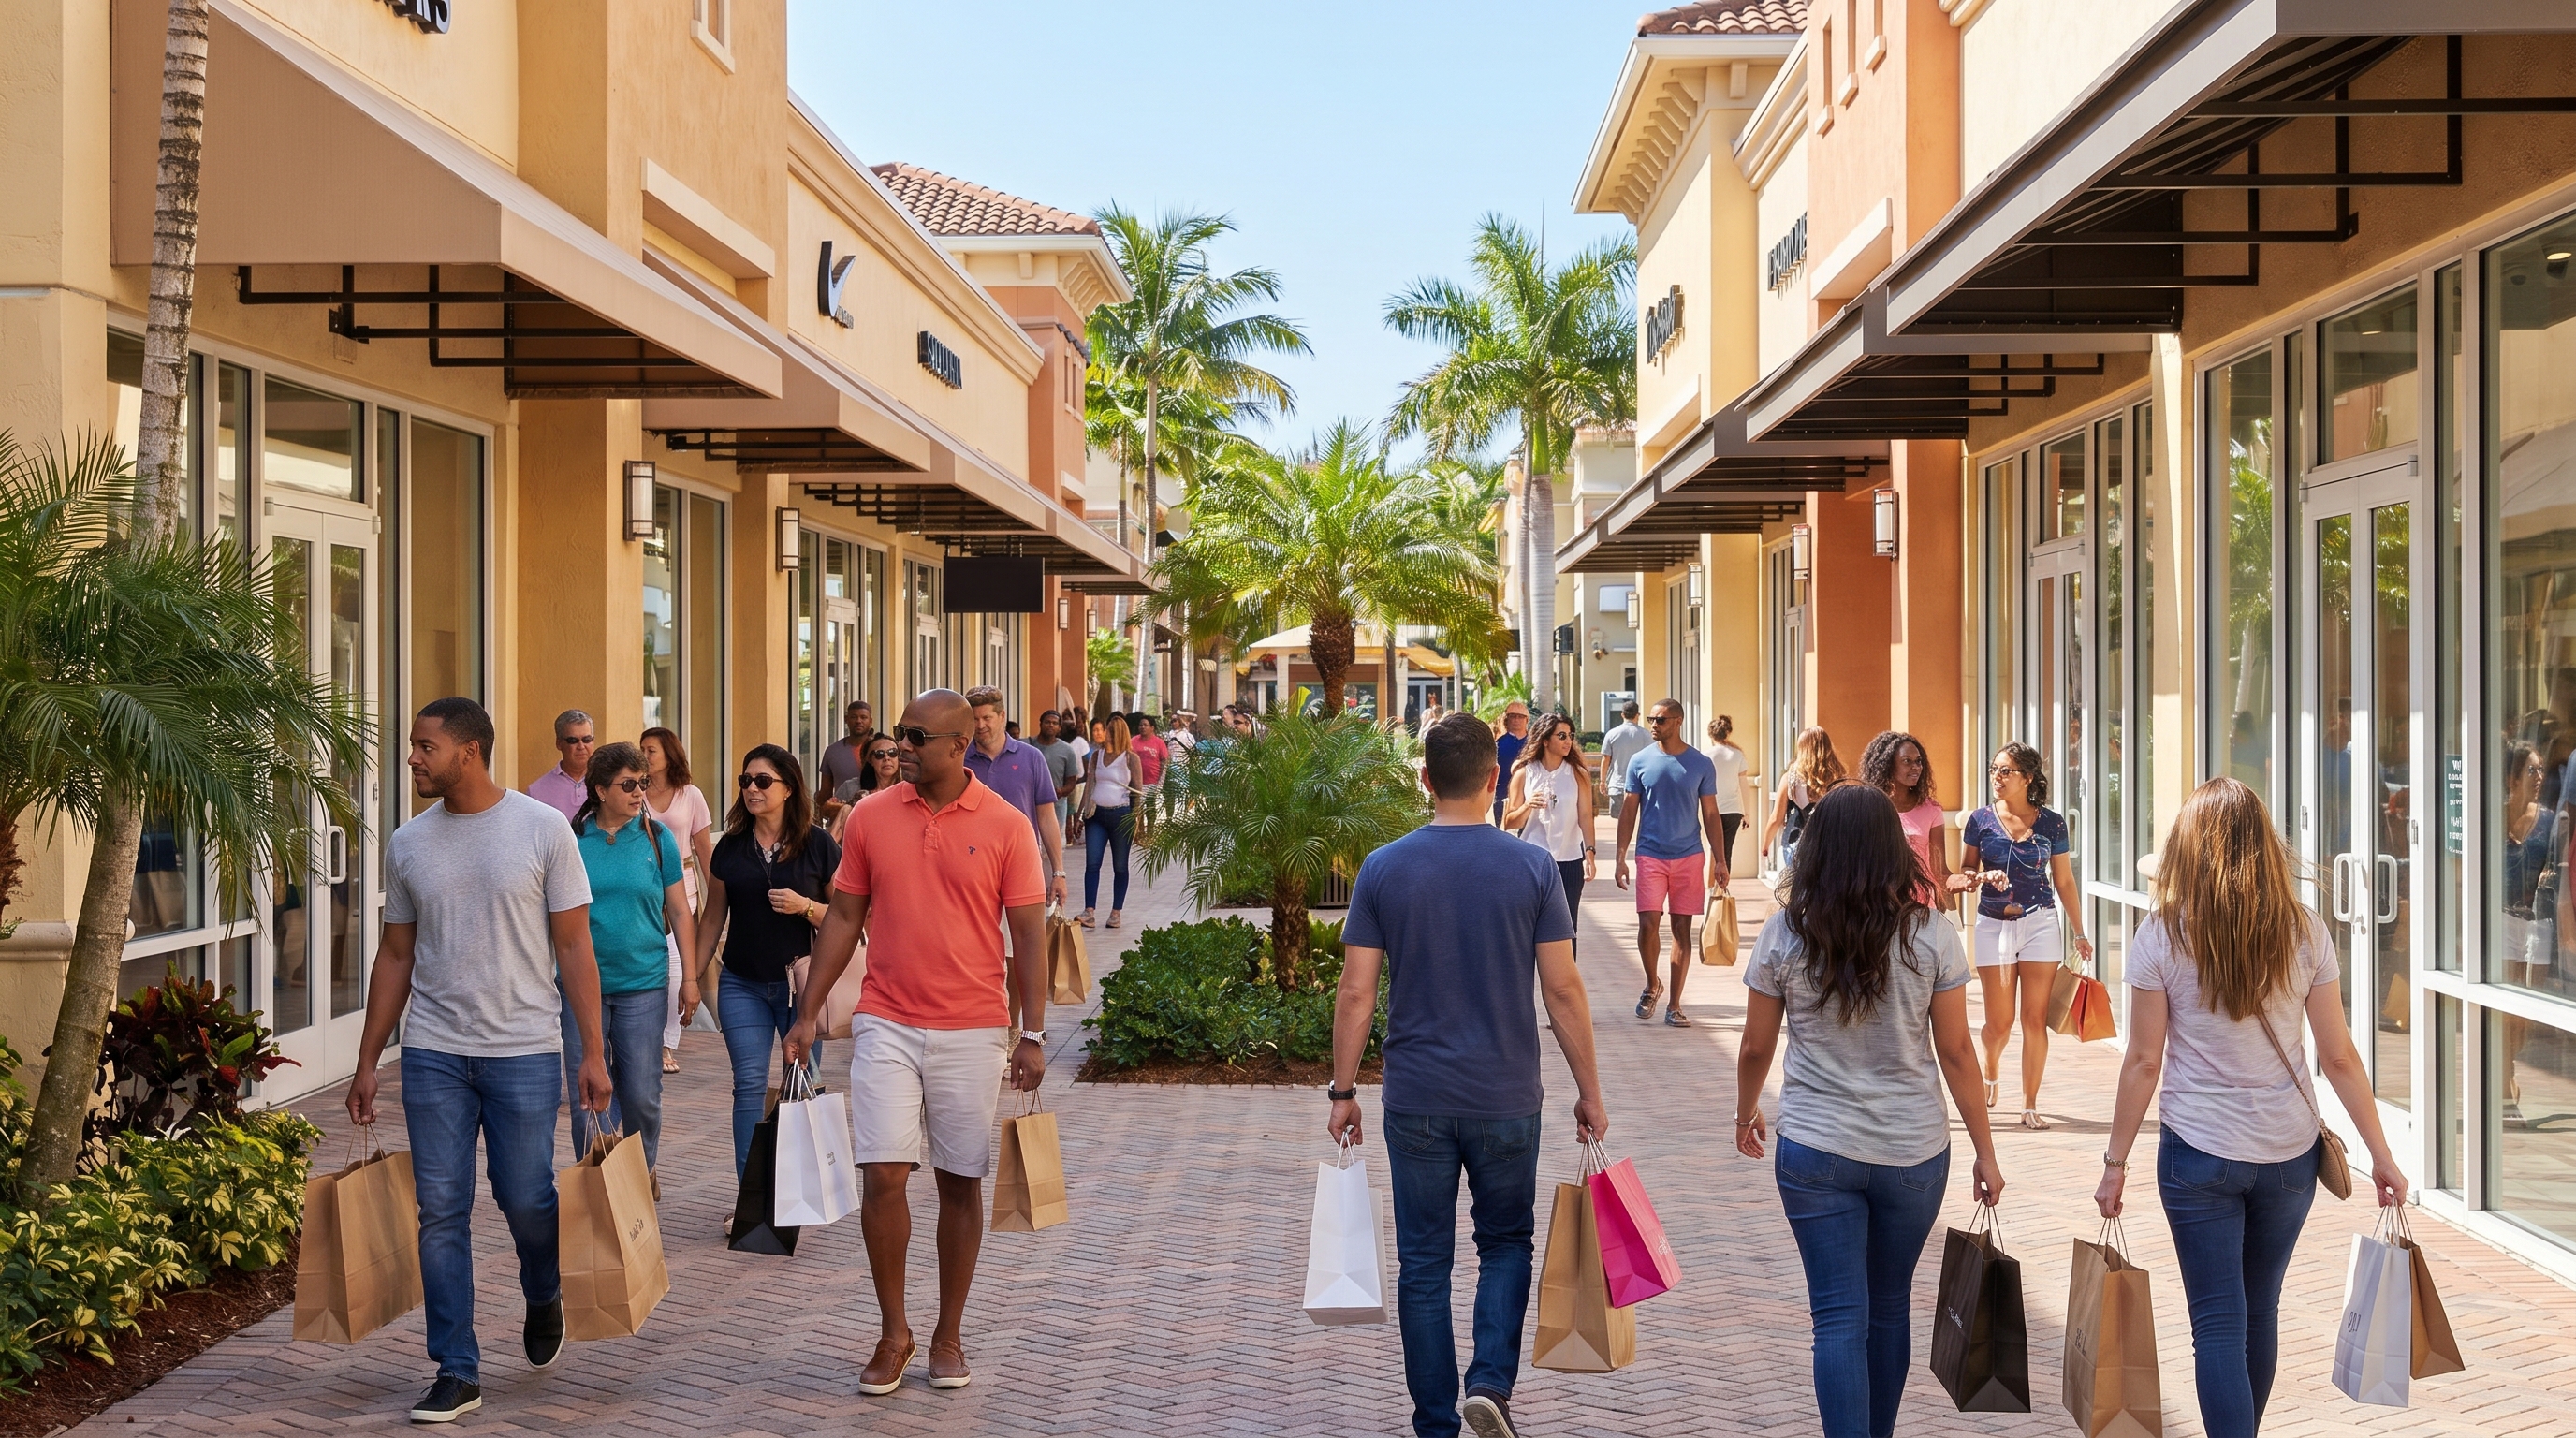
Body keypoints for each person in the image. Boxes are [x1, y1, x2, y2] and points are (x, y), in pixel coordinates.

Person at [2096, 777, 2408, 1437]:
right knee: (2259, 1310)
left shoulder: (2161, 935)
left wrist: (2114, 1163)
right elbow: (2339, 1056)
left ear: (2188, 846)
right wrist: (2381, 1156)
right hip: (2288, 1157)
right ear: (2265, 844)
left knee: (2217, 1323)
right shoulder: (2304, 930)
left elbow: (2144, 1060)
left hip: (2197, 1154)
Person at [1327, 711, 1605, 1438]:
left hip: (1416, 1097)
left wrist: (1344, 1090)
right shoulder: (1531, 867)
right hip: (1506, 1096)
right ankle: (1488, 1384)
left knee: (1423, 1262)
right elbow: (1563, 989)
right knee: (1506, 1244)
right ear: (1493, 778)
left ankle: (1434, 1422)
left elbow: (1356, 992)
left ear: (1425, 779)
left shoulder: (1384, 867)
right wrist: (1589, 1091)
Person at [348, 697, 611, 1426]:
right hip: (433, 1052)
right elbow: (395, 955)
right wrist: (369, 1060)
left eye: (424, 746)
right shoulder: (409, 842)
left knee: (526, 1196)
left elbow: (573, 946)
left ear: (468, 751)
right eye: (412, 745)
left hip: (524, 1050)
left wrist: (593, 1052)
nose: (412, 757)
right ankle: (455, 1369)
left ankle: (542, 1289)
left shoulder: (542, 828)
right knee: (440, 1211)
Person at [785, 689, 1049, 1399]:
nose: (900, 746)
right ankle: (893, 1332)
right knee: (883, 1175)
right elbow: (844, 916)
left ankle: (948, 1333)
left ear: (959, 746)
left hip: (972, 1027)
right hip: (886, 1021)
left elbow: (1029, 935)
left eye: (916, 737)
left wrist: (1031, 1033)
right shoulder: (871, 815)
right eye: (899, 733)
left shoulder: (1006, 825)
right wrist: (807, 1014)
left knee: (960, 1179)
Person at [1734, 785, 2002, 1438]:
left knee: (1837, 1317)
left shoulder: (1785, 931)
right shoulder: (1932, 935)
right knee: (1888, 1307)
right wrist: (1986, 1152)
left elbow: (1755, 1046)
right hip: (1913, 1152)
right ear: (1892, 849)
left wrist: (1746, 1111)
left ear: (1817, 848)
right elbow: (1957, 1053)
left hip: (1816, 1149)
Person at [690, 744, 840, 1177]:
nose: (752, 789)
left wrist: (804, 907)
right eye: (746, 781)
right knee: (749, 1086)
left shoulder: (818, 844)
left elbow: (847, 917)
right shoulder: (731, 847)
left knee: (799, 1085)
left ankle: (800, 1190)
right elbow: (713, 917)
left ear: (788, 788)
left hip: (802, 988)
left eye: (763, 781)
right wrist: (692, 978)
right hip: (742, 984)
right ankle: (751, 1194)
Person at [563, 742, 693, 1171]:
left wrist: (691, 977)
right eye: (628, 785)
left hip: (644, 983)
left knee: (641, 1094)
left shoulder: (658, 838)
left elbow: (680, 911)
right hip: (583, 986)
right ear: (600, 790)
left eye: (643, 783)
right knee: (588, 1093)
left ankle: (640, 1176)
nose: (640, 792)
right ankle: (598, 1184)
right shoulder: (572, 841)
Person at [1960, 742, 2092, 1130]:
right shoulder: (1980, 820)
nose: (1997, 777)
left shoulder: (2052, 824)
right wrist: (1980, 876)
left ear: (2028, 778)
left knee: (2034, 1019)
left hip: (2040, 924)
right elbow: (1965, 870)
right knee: (1999, 1024)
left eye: (2006, 771)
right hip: (1993, 925)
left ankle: (2029, 1104)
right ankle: (1991, 1064)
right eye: (1994, 770)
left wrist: (2080, 932)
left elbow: (2064, 881)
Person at [1613, 698, 1727, 1026]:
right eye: (1650, 719)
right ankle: (1652, 984)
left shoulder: (1701, 764)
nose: (1653, 724)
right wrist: (1620, 857)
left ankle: (1675, 1004)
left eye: (1660, 720)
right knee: (1648, 923)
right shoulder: (1639, 761)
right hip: (1650, 854)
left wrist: (1720, 860)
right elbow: (1629, 810)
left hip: (1689, 856)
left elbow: (1711, 813)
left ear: (1678, 721)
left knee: (1681, 929)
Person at [640, 726, 714, 1074]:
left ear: (669, 754)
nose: (645, 755)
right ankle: (643, 1039)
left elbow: (704, 849)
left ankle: (666, 1043)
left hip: (683, 888)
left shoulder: (691, 795)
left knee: (676, 966)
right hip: (643, 886)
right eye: (641, 749)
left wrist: (719, 897)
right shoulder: (634, 791)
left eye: (651, 750)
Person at [963, 686, 1067, 907]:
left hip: (1023, 867)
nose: (980, 726)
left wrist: (1058, 872)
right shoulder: (959, 761)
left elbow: (1047, 818)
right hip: (971, 871)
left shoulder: (1032, 758)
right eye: (974, 719)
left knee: (1026, 930)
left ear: (1002, 716)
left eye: (987, 718)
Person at [1501, 712, 1595, 946]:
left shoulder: (1578, 774)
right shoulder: (1524, 773)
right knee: (1529, 929)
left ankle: (1566, 973)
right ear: (1545, 740)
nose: (1568, 741)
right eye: (1561, 736)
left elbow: (1585, 817)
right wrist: (1527, 805)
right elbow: (1510, 822)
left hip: (1569, 860)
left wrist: (1590, 853)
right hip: (1532, 861)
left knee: (1567, 930)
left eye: (1571, 736)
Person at [1859, 730, 1963, 907]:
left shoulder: (1931, 809)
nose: (1916, 767)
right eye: (1907, 761)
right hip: (1880, 904)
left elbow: (1939, 871)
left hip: (1920, 906)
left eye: (1918, 761)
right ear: (1888, 765)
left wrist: (1959, 883)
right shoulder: (1870, 808)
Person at [1762, 727, 1847, 879]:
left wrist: (1766, 845)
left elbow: (1776, 818)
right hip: (1832, 845)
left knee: (1798, 887)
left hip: (1797, 844)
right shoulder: (1838, 778)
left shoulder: (1790, 778)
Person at [1079, 715, 1138, 929]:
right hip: (1096, 816)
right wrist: (1080, 813)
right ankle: (1089, 911)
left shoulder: (1130, 758)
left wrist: (1136, 820)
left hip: (1121, 816)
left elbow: (1138, 791)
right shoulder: (1097, 755)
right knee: (1092, 863)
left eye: (1111, 730)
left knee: (1120, 866)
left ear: (1119, 733)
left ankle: (1116, 912)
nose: (1106, 734)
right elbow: (1090, 784)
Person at [527, 709, 595, 821]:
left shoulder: (608, 783)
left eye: (586, 740)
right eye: (573, 740)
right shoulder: (536, 792)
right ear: (559, 743)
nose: (581, 746)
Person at [818, 701, 878, 821]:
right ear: (846, 719)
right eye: (854, 717)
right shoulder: (833, 752)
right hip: (843, 819)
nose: (859, 721)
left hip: (877, 814)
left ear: (870, 721)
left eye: (863, 717)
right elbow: (825, 793)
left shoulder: (883, 751)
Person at [1705, 714, 1749, 873]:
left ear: (1711, 735)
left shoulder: (1705, 756)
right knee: (1726, 851)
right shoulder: (1737, 755)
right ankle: (1722, 885)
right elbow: (1744, 785)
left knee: (1712, 849)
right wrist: (1747, 814)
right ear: (1728, 733)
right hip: (1733, 811)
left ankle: (1711, 884)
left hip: (1711, 810)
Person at [1033, 711, 1083, 841]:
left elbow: (1071, 781)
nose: (1051, 725)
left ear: (1059, 728)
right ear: (1040, 724)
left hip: (1057, 808)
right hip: (1031, 806)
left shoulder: (1067, 750)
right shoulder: (1028, 747)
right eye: (1047, 722)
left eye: (1055, 723)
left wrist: (1061, 791)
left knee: (1055, 843)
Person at [1600, 700, 1651, 808]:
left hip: (1617, 785)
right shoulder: (1647, 735)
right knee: (1639, 817)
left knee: (1619, 818)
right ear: (1638, 715)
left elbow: (1606, 759)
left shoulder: (1611, 734)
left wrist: (1602, 781)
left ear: (1622, 715)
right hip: (1641, 787)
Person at [1490, 701, 1530, 824]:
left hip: (1528, 798)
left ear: (1526, 720)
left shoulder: (1534, 744)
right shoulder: (1498, 744)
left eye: (1520, 716)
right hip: (1503, 796)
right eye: (1513, 716)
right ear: (1507, 719)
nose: (1516, 720)